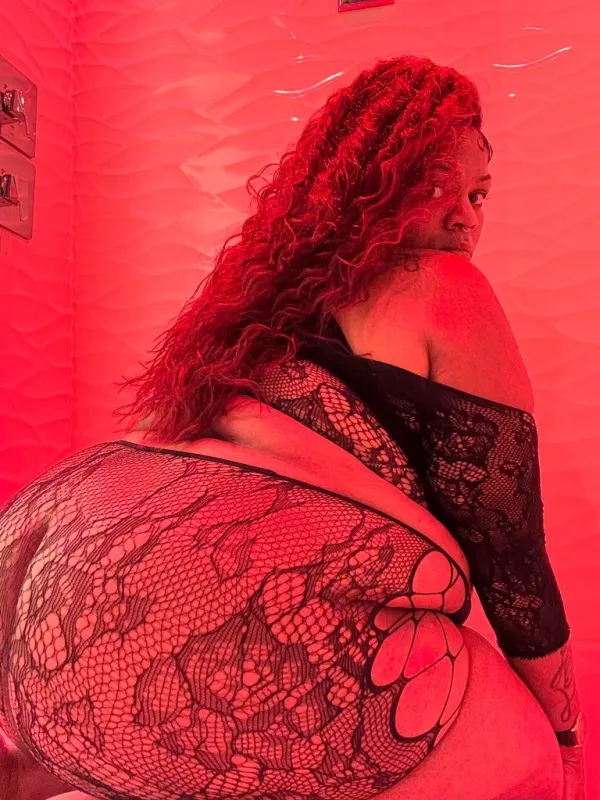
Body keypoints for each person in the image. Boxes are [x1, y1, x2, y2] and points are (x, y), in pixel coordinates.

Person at [0, 55, 587, 800]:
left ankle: (50, 764)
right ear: (368, 181)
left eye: (478, 193)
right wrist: (566, 734)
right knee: (534, 761)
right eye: (434, 183)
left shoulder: (241, 315)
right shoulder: (444, 286)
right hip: (199, 622)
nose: (465, 216)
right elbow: (509, 554)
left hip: (36, 597)